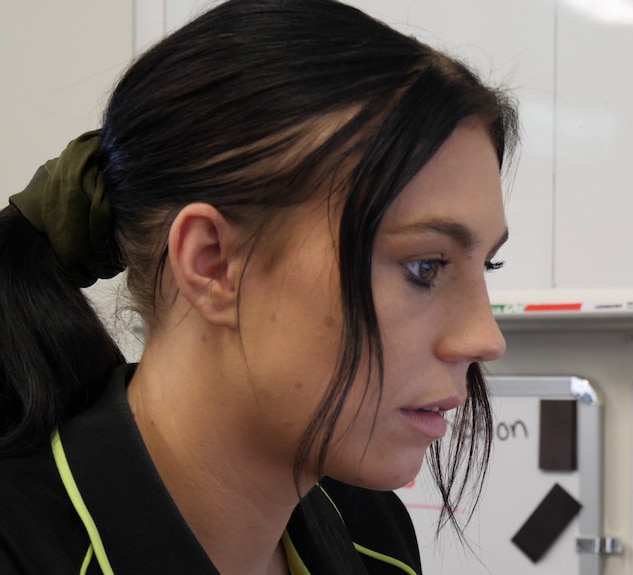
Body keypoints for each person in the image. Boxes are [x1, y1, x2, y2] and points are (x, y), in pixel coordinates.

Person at [0, 0, 518, 573]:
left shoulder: (374, 534)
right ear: (214, 263)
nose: (484, 337)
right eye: (425, 266)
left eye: (486, 267)